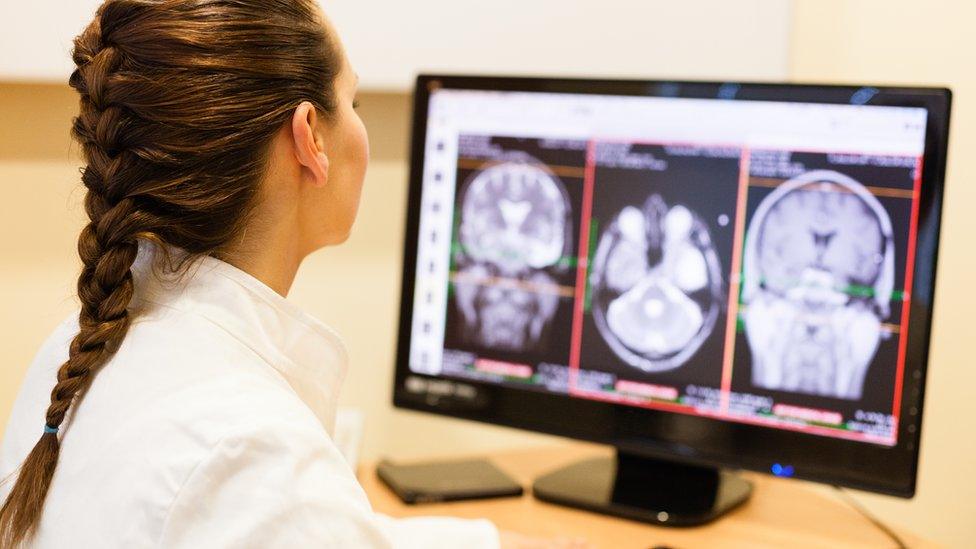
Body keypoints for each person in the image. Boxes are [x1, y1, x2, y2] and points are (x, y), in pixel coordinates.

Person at [0, 1, 585, 547]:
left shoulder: (77, 353)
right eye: (351, 103)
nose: (360, 128)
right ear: (310, 138)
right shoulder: (253, 453)